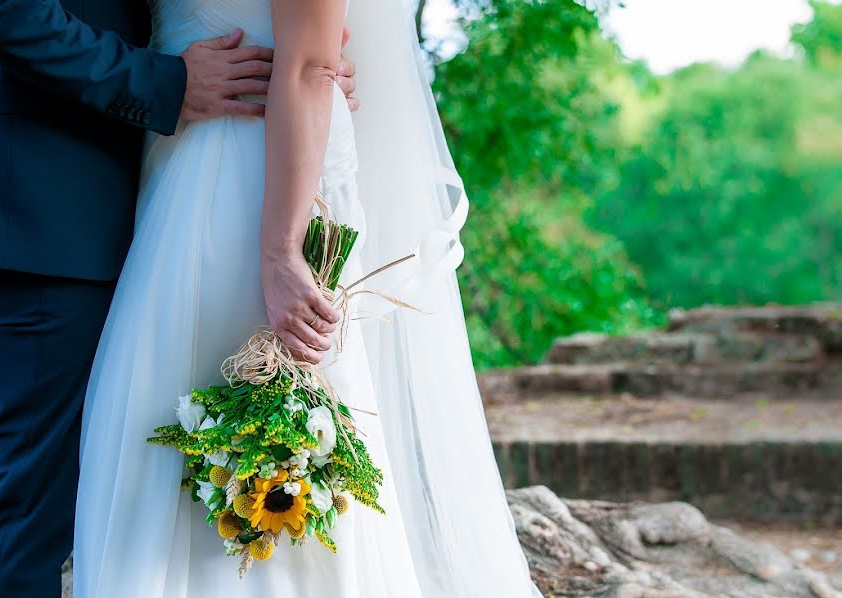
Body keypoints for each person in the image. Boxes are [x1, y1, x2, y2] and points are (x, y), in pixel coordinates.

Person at [74, 0, 541, 597]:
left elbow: (310, 66)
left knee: (271, 427)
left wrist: (280, 251)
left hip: (257, 175)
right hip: (179, 159)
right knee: (159, 427)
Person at [0, 0, 356, 595]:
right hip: (45, 193)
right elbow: (1, 12)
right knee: (27, 504)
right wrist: (170, 82)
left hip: (163, 194)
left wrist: (306, 66)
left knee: (148, 492)